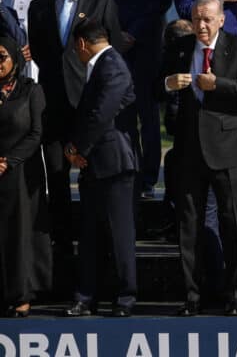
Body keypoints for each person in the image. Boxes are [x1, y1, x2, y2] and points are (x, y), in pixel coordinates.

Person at [163, 0, 237, 317]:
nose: (201, 26)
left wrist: (218, 84)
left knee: (234, 226)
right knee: (188, 228)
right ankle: (192, 296)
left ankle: (236, 296)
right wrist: (167, 83)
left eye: (207, 19)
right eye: (196, 19)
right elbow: (153, 86)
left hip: (227, 151)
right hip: (189, 152)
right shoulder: (180, 48)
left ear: (221, 20)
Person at [27, 0, 122, 255]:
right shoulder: (39, 7)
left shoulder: (101, 2)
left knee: (94, 176)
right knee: (56, 176)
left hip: (88, 105)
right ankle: (63, 244)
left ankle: (97, 244)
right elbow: (41, 52)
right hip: (53, 106)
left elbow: (112, 49)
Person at [87, 0, 174, 197]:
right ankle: (127, 173)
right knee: (119, 112)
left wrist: (133, 33)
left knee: (147, 114)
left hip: (146, 44)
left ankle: (148, 178)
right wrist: (114, 34)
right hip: (113, 46)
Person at [63, 18, 138, 318]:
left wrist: (76, 148)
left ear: (81, 44)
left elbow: (100, 114)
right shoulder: (103, 65)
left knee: (120, 235)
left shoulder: (113, 65)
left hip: (114, 162)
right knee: (90, 234)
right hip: (95, 163)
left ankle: (125, 298)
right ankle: (86, 297)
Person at [0, 35, 47, 318]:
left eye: (2, 56)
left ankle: (22, 295)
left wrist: (8, 161)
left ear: (15, 58)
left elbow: (36, 133)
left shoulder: (31, 90)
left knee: (19, 234)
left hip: (20, 174)